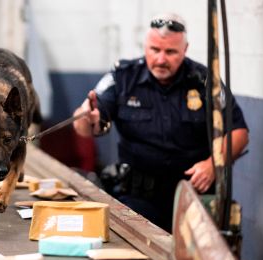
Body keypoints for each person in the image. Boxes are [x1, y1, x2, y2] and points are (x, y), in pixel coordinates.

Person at [72, 13, 249, 232]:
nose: (161, 59)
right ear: (145, 46)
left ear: (185, 50)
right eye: (155, 50)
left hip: (192, 199)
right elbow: (85, 125)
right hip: (137, 199)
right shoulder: (124, 77)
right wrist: (86, 118)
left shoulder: (206, 82)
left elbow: (239, 131)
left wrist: (214, 164)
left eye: (170, 52)